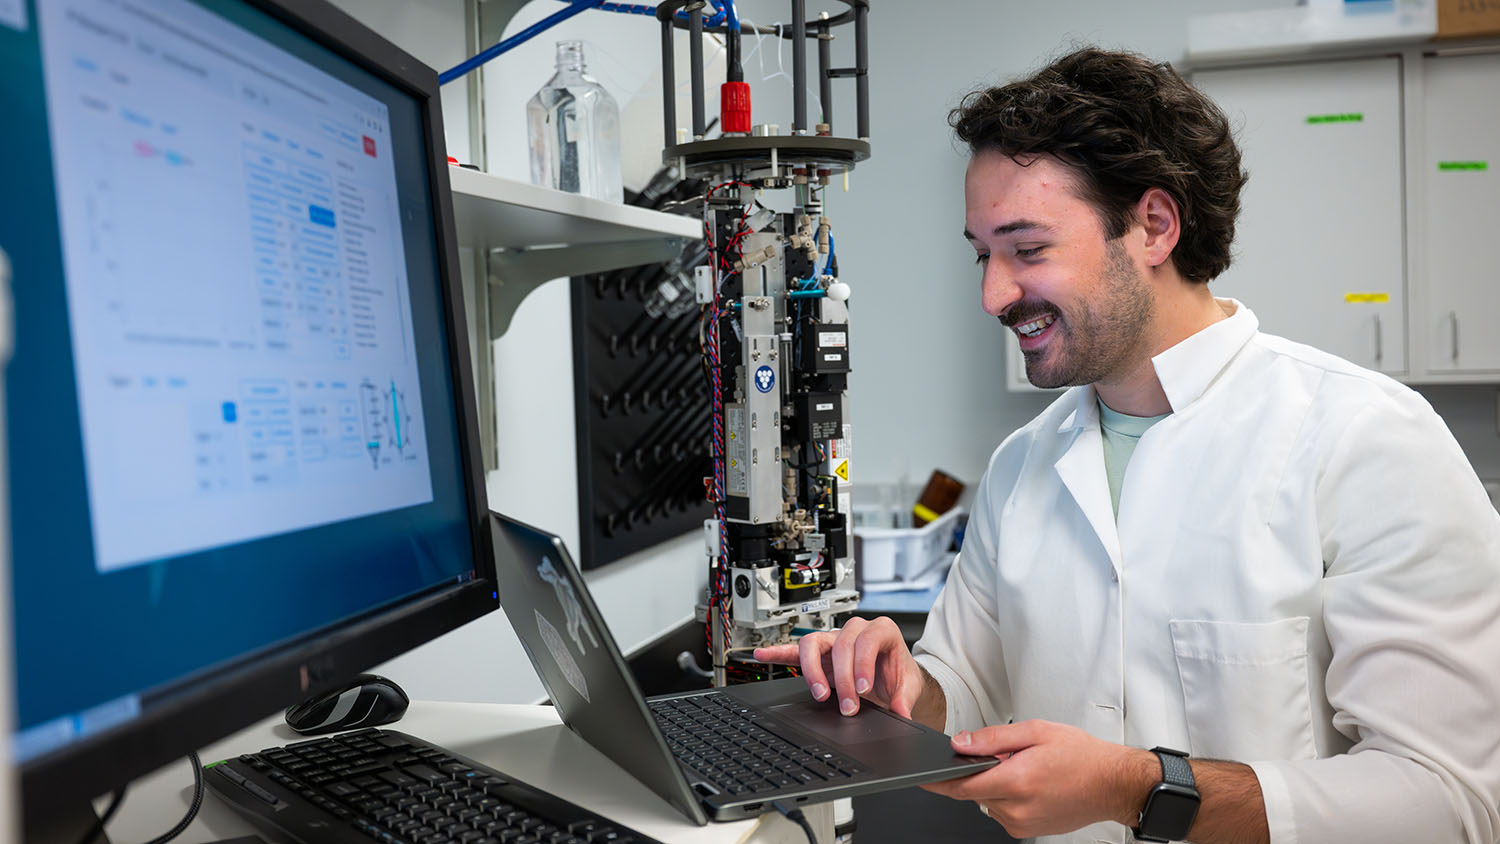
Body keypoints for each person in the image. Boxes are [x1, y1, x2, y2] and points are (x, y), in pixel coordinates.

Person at [755, 47, 1500, 844]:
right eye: (983, 253)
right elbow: (962, 699)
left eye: (1028, 249)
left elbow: (1449, 800)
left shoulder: (1366, 438)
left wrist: (1139, 788)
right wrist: (896, 683)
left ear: (1153, 226)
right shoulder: (1022, 468)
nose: (994, 294)